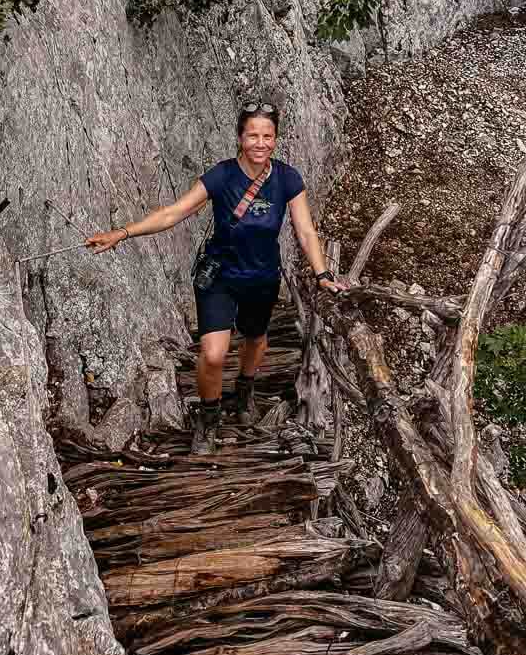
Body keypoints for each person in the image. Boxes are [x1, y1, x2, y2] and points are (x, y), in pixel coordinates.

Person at [85, 101, 346, 455]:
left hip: (262, 277)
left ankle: (244, 391)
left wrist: (323, 273)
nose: (260, 143)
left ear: (276, 139)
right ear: (240, 138)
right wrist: (123, 232)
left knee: (255, 341)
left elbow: (305, 231)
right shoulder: (222, 176)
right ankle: (208, 419)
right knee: (212, 354)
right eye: (252, 135)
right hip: (220, 275)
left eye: (267, 136)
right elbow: (174, 212)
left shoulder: (287, 179)